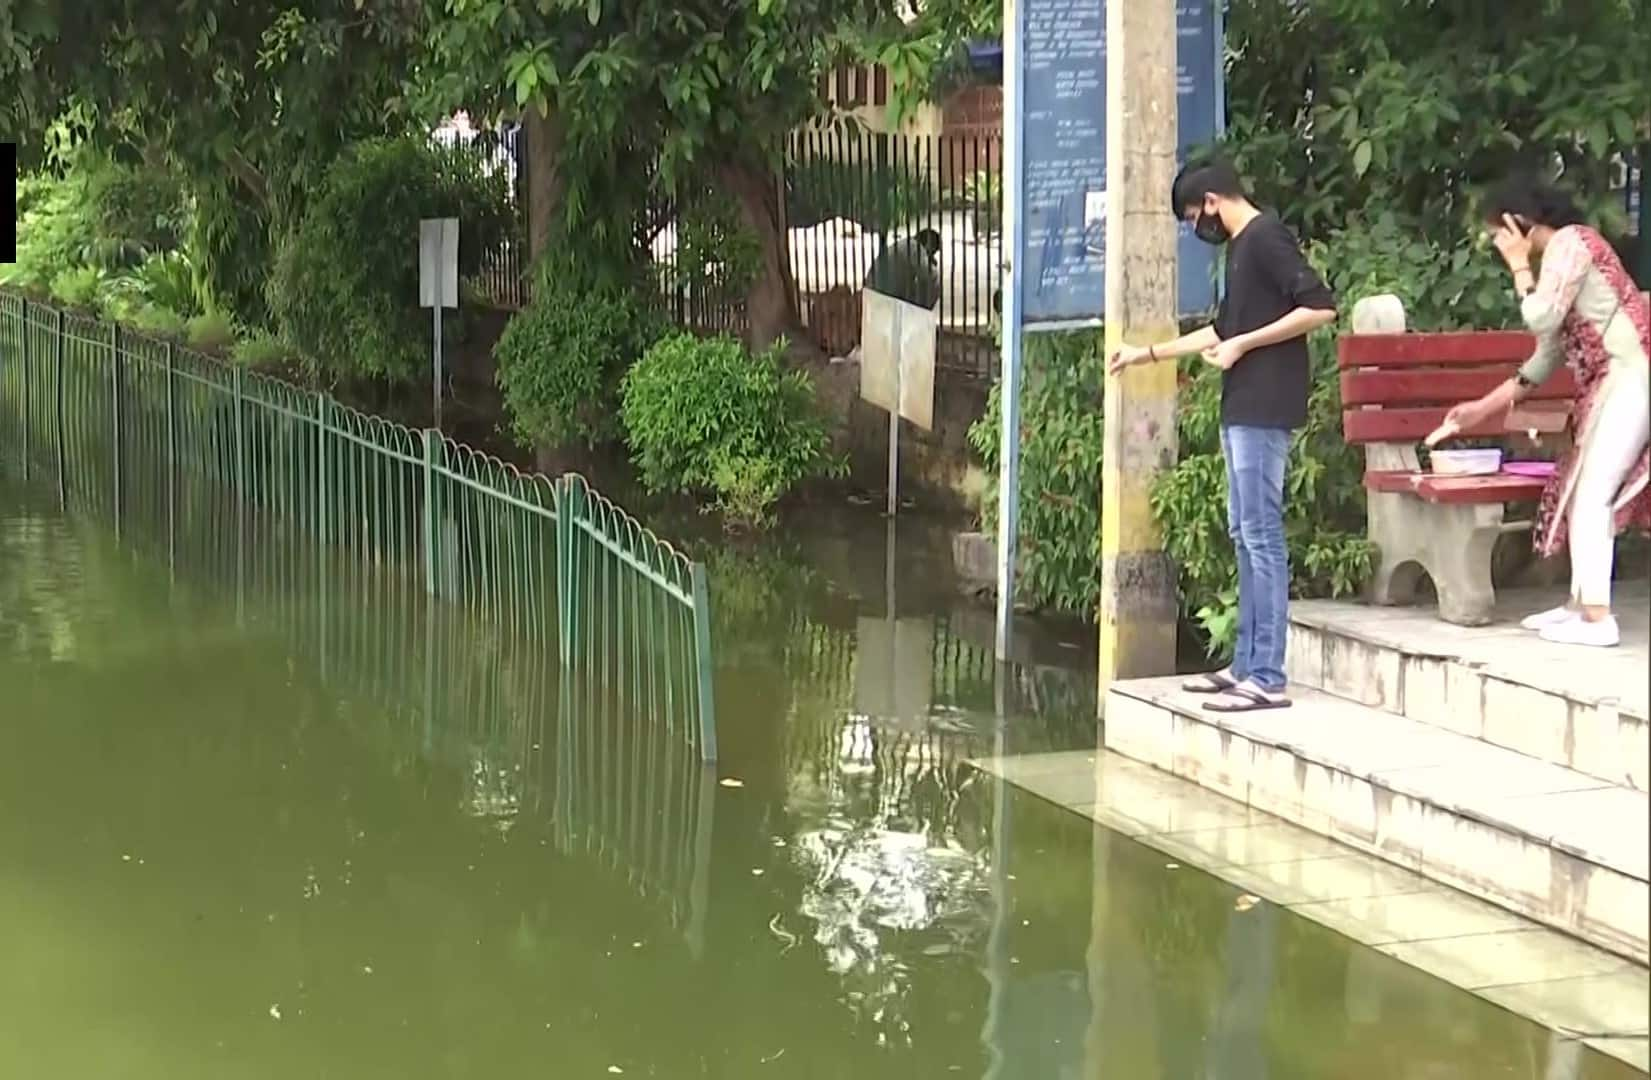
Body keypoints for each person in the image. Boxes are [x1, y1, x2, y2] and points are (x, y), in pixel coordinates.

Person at [1109, 158, 1337, 712]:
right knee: (1243, 531)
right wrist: (1148, 354)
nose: (1196, 228)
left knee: (1262, 535)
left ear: (1213, 200)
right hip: (1241, 403)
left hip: (1266, 403)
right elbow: (1223, 329)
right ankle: (1244, 663)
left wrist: (1245, 346)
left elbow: (1320, 306)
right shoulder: (1241, 249)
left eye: (1194, 216)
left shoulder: (1265, 237)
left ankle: (1268, 674)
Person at [1438, 175, 1650, 648]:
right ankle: (1580, 606)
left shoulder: (1570, 243)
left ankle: (1598, 618)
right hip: (1613, 383)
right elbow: (1543, 359)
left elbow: (1540, 316)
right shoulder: (1565, 258)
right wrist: (1478, 411)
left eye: (1498, 233)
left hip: (1628, 377)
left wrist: (1518, 267)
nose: (1496, 243)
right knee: (1581, 489)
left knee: (1593, 491)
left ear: (1519, 224)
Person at [865, 227, 942, 309]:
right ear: (929, 244)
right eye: (934, 250)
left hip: (877, 290)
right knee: (935, 282)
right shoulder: (914, 247)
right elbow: (930, 274)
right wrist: (932, 264)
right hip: (882, 294)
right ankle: (921, 313)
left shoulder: (907, 244)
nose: (933, 254)